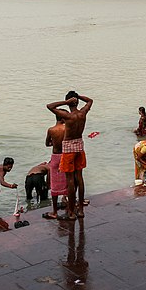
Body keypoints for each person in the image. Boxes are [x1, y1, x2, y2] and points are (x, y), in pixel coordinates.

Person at [47, 91, 93, 221]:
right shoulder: (82, 113)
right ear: (77, 102)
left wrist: (65, 102)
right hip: (79, 145)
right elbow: (90, 101)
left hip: (68, 147)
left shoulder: (67, 116)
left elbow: (49, 106)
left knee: (70, 180)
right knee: (80, 177)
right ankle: (81, 210)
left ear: (69, 102)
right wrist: (78, 97)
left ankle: (71, 212)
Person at [43, 116, 67, 220]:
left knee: (54, 183)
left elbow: (47, 144)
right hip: (65, 155)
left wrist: (54, 143)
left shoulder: (51, 130)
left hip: (55, 156)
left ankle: (55, 211)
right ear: (62, 119)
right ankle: (68, 204)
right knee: (68, 180)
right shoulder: (67, 128)